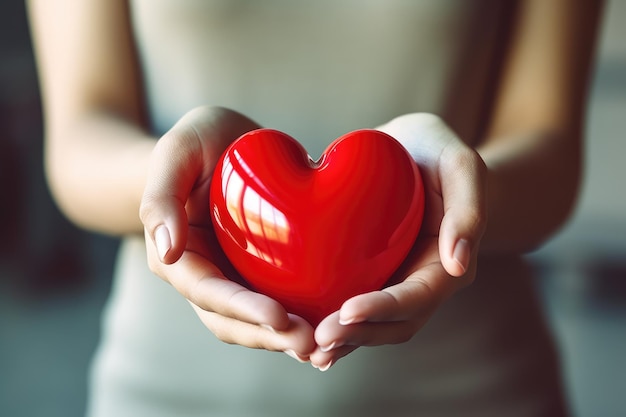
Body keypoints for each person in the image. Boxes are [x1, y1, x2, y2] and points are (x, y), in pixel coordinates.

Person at [27, 0, 603, 416]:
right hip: (169, 392)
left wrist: (462, 193)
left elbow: (550, 152)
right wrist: (170, 184)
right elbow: (79, 138)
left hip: (476, 390)